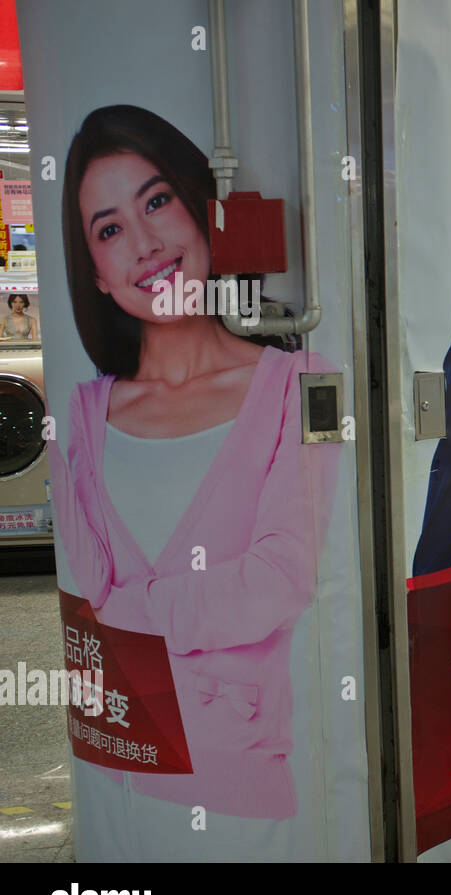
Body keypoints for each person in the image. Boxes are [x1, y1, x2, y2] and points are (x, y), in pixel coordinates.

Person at [48, 105, 341, 840]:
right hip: (119, 772)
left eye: (157, 201)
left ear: (200, 208)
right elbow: (89, 598)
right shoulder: (81, 418)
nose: (145, 244)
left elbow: (282, 575)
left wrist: (135, 611)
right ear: (96, 272)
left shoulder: (298, 383)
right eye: (110, 228)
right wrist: (185, 611)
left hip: (243, 801)